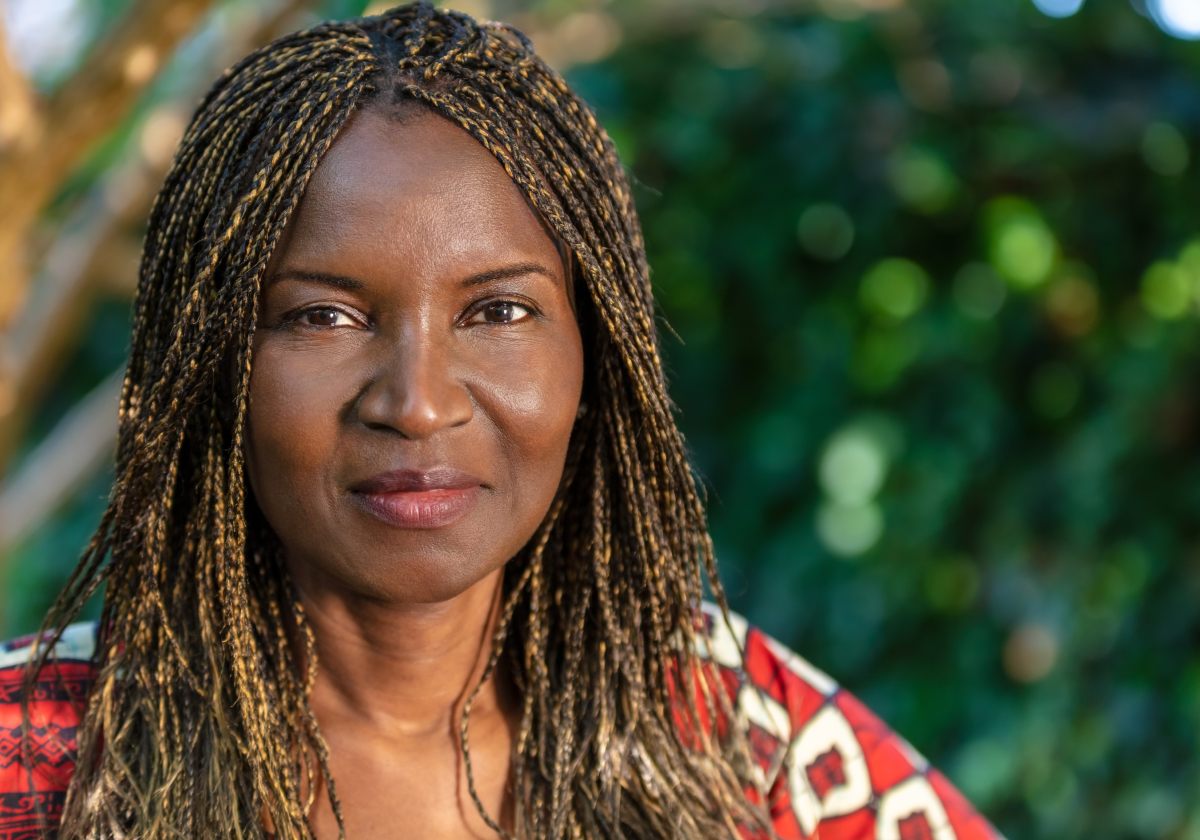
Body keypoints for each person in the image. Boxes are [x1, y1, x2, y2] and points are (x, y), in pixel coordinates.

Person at [0, 4, 1003, 839]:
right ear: (216, 363)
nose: (418, 401)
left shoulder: (740, 743)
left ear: (592, 356)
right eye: (323, 316)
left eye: (499, 312)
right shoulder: (34, 761)